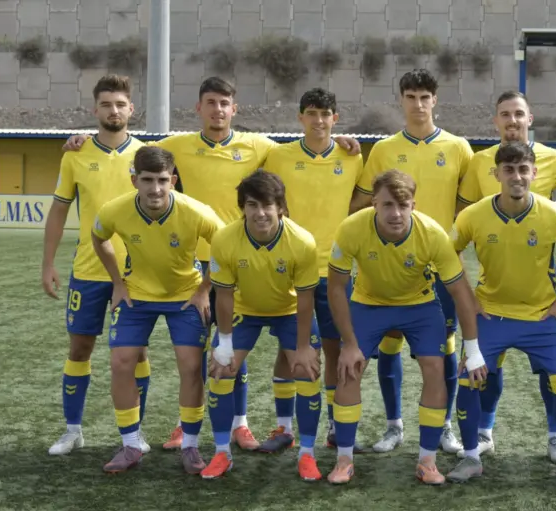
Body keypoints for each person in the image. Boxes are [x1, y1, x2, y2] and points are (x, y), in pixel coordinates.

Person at [63, 77, 362, 452]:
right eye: (211, 103)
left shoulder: (260, 147)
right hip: (198, 262)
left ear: (234, 109)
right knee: (207, 349)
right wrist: (84, 140)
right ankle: (184, 425)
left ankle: (241, 424)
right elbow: (131, 149)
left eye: (224, 103)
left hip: (246, 257)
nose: (217, 110)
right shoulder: (176, 146)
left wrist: (338, 138)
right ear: (198, 108)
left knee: (237, 343)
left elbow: (308, 145)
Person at [455, 91, 556, 463]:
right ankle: (484, 432)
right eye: (505, 114)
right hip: (493, 289)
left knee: (551, 374)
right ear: (496, 121)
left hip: (540, 287)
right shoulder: (479, 162)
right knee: (488, 369)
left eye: (518, 114)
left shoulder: (553, 158)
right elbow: (464, 215)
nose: (512, 121)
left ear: (529, 118)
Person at [447, 141, 556, 487]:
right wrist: (469, 297)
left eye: (523, 169)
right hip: (491, 315)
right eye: (508, 169)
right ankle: (471, 456)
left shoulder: (554, 214)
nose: (516, 176)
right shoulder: (473, 215)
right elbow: (450, 254)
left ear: (534, 173)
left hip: (541, 316)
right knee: (469, 378)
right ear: (496, 173)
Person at [325, 170, 480, 485]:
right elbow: (336, 288)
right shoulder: (352, 228)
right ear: (374, 204)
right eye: (387, 205)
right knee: (349, 367)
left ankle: (427, 461)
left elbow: (460, 292)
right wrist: (350, 344)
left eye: (403, 205)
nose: (395, 213)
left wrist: (474, 349)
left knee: (435, 368)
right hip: (369, 303)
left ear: (413, 205)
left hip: (419, 305)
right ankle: (344, 459)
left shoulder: (432, 234)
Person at [350, 69, 475, 455]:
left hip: (440, 265)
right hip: (389, 266)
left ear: (435, 100)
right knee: (389, 346)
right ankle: (394, 426)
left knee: (444, 349)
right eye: (411, 97)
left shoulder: (459, 148)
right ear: (401, 100)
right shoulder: (384, 150)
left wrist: (450, 244)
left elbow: (467, 206)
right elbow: (361, 201)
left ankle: (444, 426)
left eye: (424, 97)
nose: (418, 104)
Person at [91, 146, 224, 474]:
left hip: (185, 297)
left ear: (173, 181)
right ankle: (131, 445)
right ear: (134, 180)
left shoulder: (196, 211)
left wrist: (204, 290)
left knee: (191, 367)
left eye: (163, 180)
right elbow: (99, 237)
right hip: (136, 296)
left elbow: (226, 247)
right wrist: (117, 282)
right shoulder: (114, 210)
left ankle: (190, 446)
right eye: (147, 180)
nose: (155, 188)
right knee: (121, 363)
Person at [42, 74, 151, 456]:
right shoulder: (76, 154)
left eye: (120, 104)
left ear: (131, 109)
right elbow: (59, 211)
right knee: (79, 349)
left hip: (136, 274)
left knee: (136, 352)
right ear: (95, 110)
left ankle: (135, 432)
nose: (113, 111)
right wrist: (48, 264)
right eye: (106, 105)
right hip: (88, 270)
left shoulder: (147, 155)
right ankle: (73, 430)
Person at [203, 170, 324, 481]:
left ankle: (307, 454)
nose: (260, 213)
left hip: (289, 310)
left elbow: (306, 300)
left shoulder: (302, 242)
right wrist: (224, 343)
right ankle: (221, 452)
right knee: (220, 370)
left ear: (280, 207)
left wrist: (303, 347)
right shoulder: (225, 238)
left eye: (267, 205)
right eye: (252, 205)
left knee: (306, 370)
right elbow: (224, 296)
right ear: (242, 207)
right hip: (245, 310)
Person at [262, 87, 365, 453]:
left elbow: (364, 195)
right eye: (312, 113)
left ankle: (336, 426)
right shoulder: (279, 155)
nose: (318, 120)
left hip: (335, 269)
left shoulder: (352, 157)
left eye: (325, 114)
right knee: (289, 347)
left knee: (335, 347)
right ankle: (284, 428)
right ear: (300, 117)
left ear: (335, 118)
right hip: (290, 268)